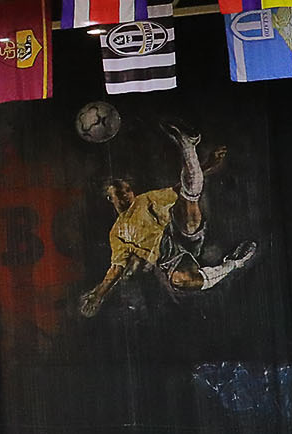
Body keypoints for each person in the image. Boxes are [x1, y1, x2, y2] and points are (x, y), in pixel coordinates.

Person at [80, 126, 258, 317]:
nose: (125, 194)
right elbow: (116, 269)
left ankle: (188, 146)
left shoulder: (146, 200)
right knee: (181, 281)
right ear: (110, 198)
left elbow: (178, 188)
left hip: (178, 231)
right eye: (119, 192)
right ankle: (234, 263)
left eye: (127, 190)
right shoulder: (117, 233)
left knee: (188, 211)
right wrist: (98, 294)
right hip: (170, 257)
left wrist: (207, 164)